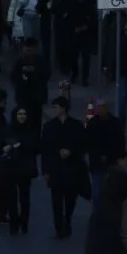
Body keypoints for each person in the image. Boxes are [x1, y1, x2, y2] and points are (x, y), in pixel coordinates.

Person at [42, 96, 90, 239]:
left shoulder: (76, 125)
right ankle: (59, 226)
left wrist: (71, 151)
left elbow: (82, 144)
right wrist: (45, 170)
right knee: (56, 199)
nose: (53, 110)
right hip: (55, 168)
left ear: (63, 108)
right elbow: (45, 149)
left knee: (70, 198)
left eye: (56, 107)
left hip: (72, 168)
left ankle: (67, 219)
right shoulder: (49, 126)